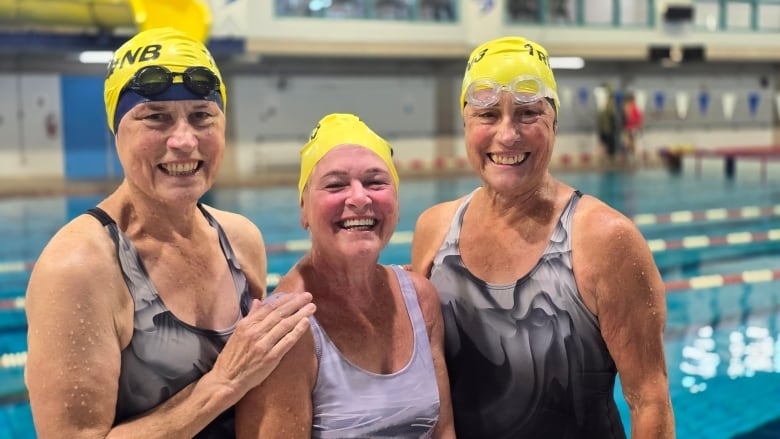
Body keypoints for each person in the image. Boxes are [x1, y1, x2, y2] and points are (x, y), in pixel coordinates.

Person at [24, 27, 316, 438]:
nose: (183, 140)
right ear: (116, 130)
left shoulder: (240, 238)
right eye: (155, 118)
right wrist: (221, 385)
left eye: (202, 116)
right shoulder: (79, 268)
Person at [411, 36, 675, 438]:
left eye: (528, 113)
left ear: (554, 121)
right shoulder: (433, 228)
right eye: (487, 115)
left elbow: (649, 400)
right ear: (465, 122)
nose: (507, 134)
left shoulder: (606, 240)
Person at [235, 113, 455, 438]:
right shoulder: (287, 328)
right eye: (336, 185)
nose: (359, 197)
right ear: (304, 210)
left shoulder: (420, 300)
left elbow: (443, 431)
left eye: (376, 182)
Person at [597, 82, 620, 164]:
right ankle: (608, 158)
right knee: (608, 143)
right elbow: (610, 113)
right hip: (607, 127)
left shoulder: (603, 101)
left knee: (605, 143)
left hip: (604, 126)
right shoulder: (609, 101)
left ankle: (605, 158)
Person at [622, 91, 644, 165]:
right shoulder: (630, 106)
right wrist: (637, 124)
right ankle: (631, 157)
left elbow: (632, 117)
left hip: (631, 127)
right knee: (631, 142)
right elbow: (630, 117)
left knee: (631, 142)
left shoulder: (630, 106)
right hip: (632, 127)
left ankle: (631, 157)